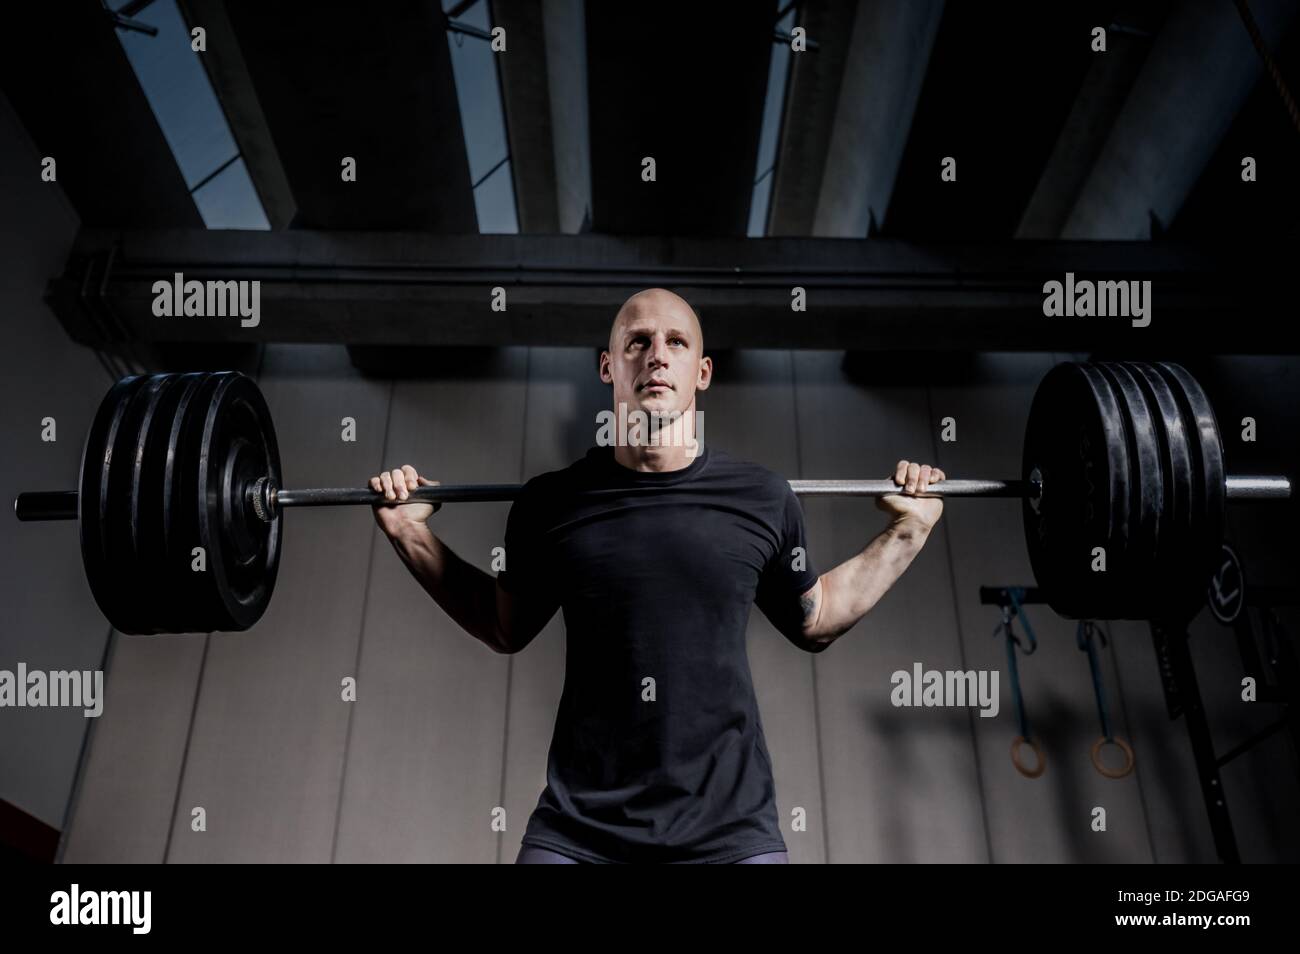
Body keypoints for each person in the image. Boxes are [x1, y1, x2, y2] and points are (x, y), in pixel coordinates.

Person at [369, 288, 945, 863]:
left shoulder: (762, 498)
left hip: (728, 829)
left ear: (703, 371)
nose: (657, 355)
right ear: (608, 365)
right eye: (637, 341)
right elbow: (502, 625)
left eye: (676, 342)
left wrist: (908, 531)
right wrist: (409, 534)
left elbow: (814, 617)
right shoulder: (550, 504)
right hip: (580, 830)